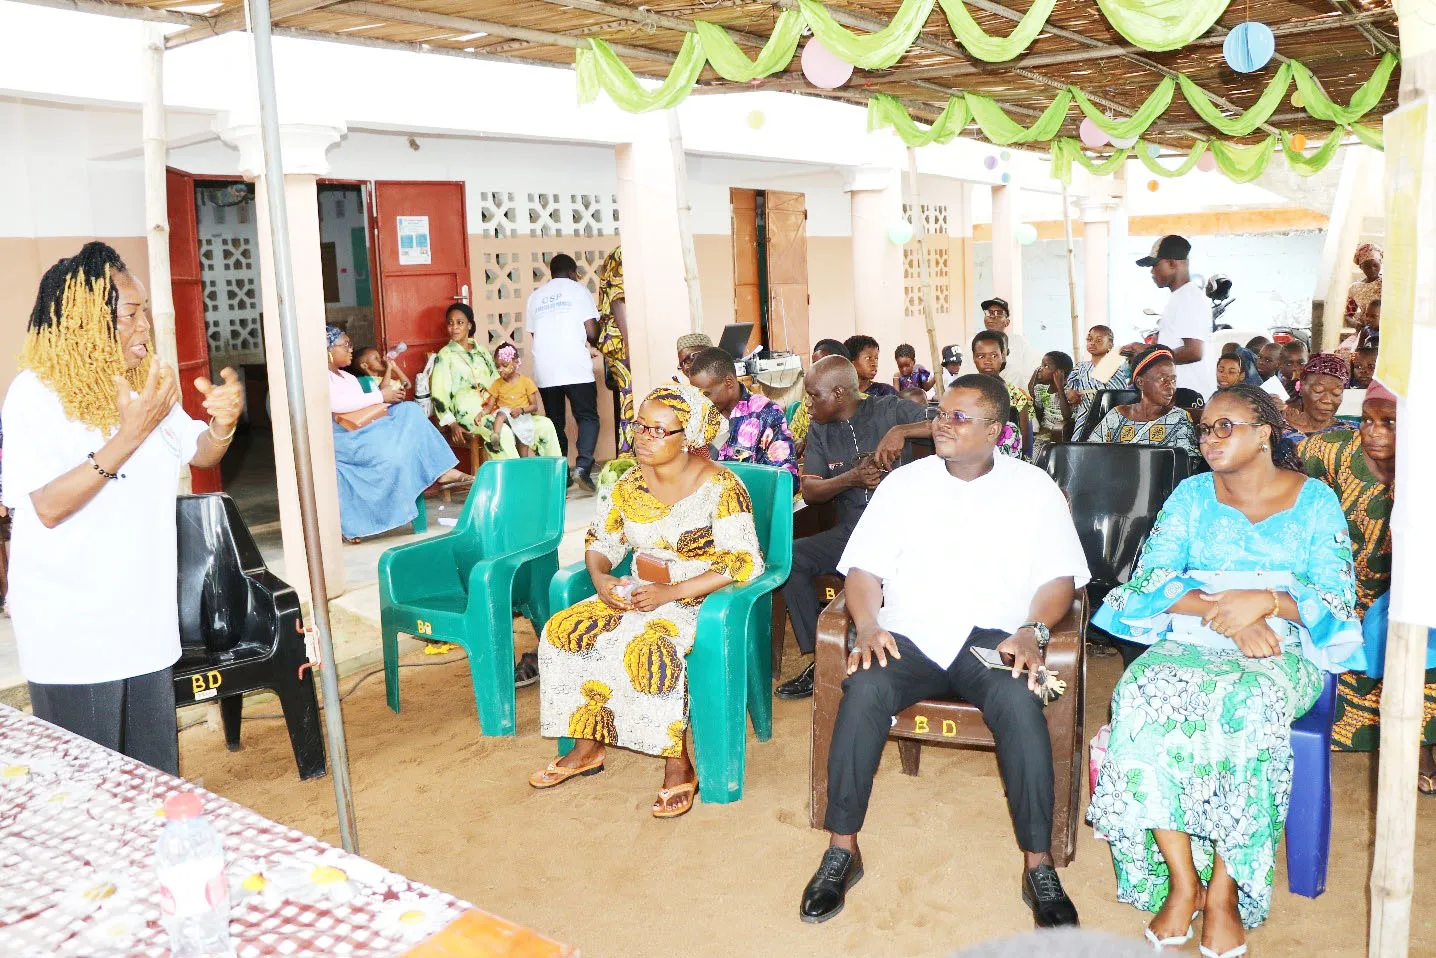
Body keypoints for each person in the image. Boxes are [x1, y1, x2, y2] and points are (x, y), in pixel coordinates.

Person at [798, 374, 1089, 927]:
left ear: (996, 430)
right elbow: (863, 572)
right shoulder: (905, 485)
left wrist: (1032, 630)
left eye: (959, 416)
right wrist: (867, 624)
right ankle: (842, 850)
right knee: (863, 690)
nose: (941, 424)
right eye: (940, 414)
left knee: (1021, 704)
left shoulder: (1033, 488)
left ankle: (1038, 866)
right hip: (909, 635)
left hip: (993, 640)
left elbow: (1060, 581)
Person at [1087, 384, 1363, 957]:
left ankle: (1224, 891)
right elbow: (1149, 579)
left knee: (1242, 706)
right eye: (1205, 428)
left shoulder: (1316, 502)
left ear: (1265, 432)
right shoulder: (1190, 496)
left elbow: (1337, 598)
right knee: (1140, 691)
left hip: (1283, 647)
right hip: (1198, 632)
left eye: (1226, 426)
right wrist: (1229, 615)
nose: (1210, 438)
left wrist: (1266, 601)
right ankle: (1184, 881)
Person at [1, 242, 246, 774]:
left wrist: (223, 426)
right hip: (76, 631)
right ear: (86, 321)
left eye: (144, 313)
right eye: (130, 314)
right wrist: (127, 435)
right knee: (88, 791)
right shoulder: (35, 396)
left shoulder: (148, 387)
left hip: (144, 623)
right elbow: (46, 506)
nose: (145, 327)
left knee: (153, 781)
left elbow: (198, 449)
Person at [530, 385, 763, 819]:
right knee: (562, 632)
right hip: (637, 592)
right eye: (640, 425)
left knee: (648, 649)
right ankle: (587, 746)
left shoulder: (720, 486)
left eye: (658, 430)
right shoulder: (627, 483)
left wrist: (669, 593)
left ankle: (679, 764)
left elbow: (743, 562)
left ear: (688, 436)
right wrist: (600, 579)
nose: (642, 436)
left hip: (701, 595)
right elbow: (603, 541)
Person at [1298, 384, 1435, 785]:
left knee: (1417, 644)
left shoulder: (1426, 471)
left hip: (1401, 594)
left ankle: (1418, 743)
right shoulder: (1331, 451)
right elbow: (1282, 482)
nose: (1374, 432)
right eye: (1368, 421)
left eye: (1390, 423)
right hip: (1334, 589)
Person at [774, 357, 932, 701]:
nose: (809, 405)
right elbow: (812, 490)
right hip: (852, 535)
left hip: (903, 535)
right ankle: (824, 656)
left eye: (815, 396)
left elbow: (954, 425)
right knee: (790, 559)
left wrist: (902, 431)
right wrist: (851, 479)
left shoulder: (889, 410)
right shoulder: (820, 428)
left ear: (840, 392)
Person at [328, 326, 467, 540]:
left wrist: (387, 396)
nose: (350, 349)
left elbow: (370, 401)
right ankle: (439, 472)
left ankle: (441, 471)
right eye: (345, 345)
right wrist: (381, 397)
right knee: (397, 451)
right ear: (329, 350)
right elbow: (338, 403)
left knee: (409, 410)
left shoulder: (347, 377)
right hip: (347, 438)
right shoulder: (322, 378)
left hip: (368, 428)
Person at [527, 253, 601, 492]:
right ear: (572, 272)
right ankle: (582, 467)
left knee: (554, 421)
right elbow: (591, 331)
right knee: (587, 416)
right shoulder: (579, 291)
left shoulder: (535, 297)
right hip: (575, 365)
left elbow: (535, 335)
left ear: (551, 272)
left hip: (546, 367)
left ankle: (561, 476)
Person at [429, 304, 532, 462]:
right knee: (501, 433)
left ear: (469, 325)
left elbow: (497, 381)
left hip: (494, 406)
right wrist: (452, 423)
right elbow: (439, 395)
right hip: (469, 413)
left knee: (533, 426)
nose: (454, 327)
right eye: (450, 323)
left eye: (460, 323)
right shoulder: (445, 356)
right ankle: (516, 480)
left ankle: (540, 474)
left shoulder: (482, 351)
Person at [685, 346, 798, 478]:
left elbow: (785, 477)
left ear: (729, 382)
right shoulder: (698, 417)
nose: (700, 402)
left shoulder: (766, 414)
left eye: (706, 394)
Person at [1129, 235, 1216, 398]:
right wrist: (1148, 349)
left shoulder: (1189, 298)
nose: (1152, 272)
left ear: (1172, 263)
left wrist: (1150, 354)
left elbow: (1194, 351)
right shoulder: (1181, 297)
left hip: (1191, 395)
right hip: (1181, 392)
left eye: (1155, 265)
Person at [1088, 345, 1201, 459]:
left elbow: (1187, 461)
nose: (1170, 386)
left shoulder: (1179, 418)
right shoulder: (1115, 416)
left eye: (1173, 380)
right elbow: (1090, 453)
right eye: (1162, 379)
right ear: (1140, 382)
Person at [489, 343, 562, 458]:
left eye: (504, 365)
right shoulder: (497, 383)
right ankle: (495, 437)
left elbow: (534, 406)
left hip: (521, 416)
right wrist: (482, 413)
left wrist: (521, 410)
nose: (500, 369)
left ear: (515, 362)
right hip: (506, 416)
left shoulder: (526, 382)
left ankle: (524, 463)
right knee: (501, 414)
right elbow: (490, 404)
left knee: (523, 438)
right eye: (498, 366)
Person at [596, 246, 634, 455]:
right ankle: (627, 457)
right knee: (631, 402)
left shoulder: (620, 253)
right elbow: (618, 301)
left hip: (618, 340)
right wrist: (629, 346)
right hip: (620, 342)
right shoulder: (624, 254)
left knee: (631, 401)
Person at [971, 330, 1033, 459]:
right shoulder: (965, 394)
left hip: (1008, 462)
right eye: (981, 356)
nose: (988, 361)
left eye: (994, 356)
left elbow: (1025, 445)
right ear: (974, 358)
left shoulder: (1017, 396)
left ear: (1003, 356)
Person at [1065, 324, 1131, 438]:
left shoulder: (1116, 368)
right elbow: (1068, 390)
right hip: (1084, 417)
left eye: (1098, 340)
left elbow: (1121, 397)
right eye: (1089, 339)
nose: (1092, 343)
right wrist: (1070, 394)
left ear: (1110, 344)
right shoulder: (1080, 367)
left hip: (1110, 418)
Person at [790, 339, 849, 450]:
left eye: (823, 366)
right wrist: (798, 443)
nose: (815, 371)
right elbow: (791, 438)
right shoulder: (807, 404)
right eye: (814, 365)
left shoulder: (858, 404)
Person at [1282, 353, 1348, 445]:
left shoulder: (1352, 434)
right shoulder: (1277, 431)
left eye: (1336, 393)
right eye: (1318, 390)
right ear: (1301, 387)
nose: (1327, 400)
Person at [981, 297, 1037, 387]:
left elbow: (1030, 374)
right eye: (989, 312)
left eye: (998, 313)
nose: (992, 316)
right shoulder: (972, 343)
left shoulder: (1019, 343)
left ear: (1007, 322)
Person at [1029, 350, 1074, 459]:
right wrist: (1034, 380)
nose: (1040, 369)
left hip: (1060, 433)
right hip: (1043, 432)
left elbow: (1067, 416)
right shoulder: (1041, 389)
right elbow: (1038, 410)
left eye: (1046, 366)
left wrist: (1060, 387)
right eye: (1041, 365)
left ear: (1060, 373)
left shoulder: (1069, 392)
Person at [1343, 243, 1382, 325]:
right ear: (1361, 267)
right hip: (1365, 329)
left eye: (1375, 265)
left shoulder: (1386, 283)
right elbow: (1348, 315)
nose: (1372, 269)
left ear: (1380, 263)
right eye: (1367, 267)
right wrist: (1356, 325)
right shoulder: (1354, 288)